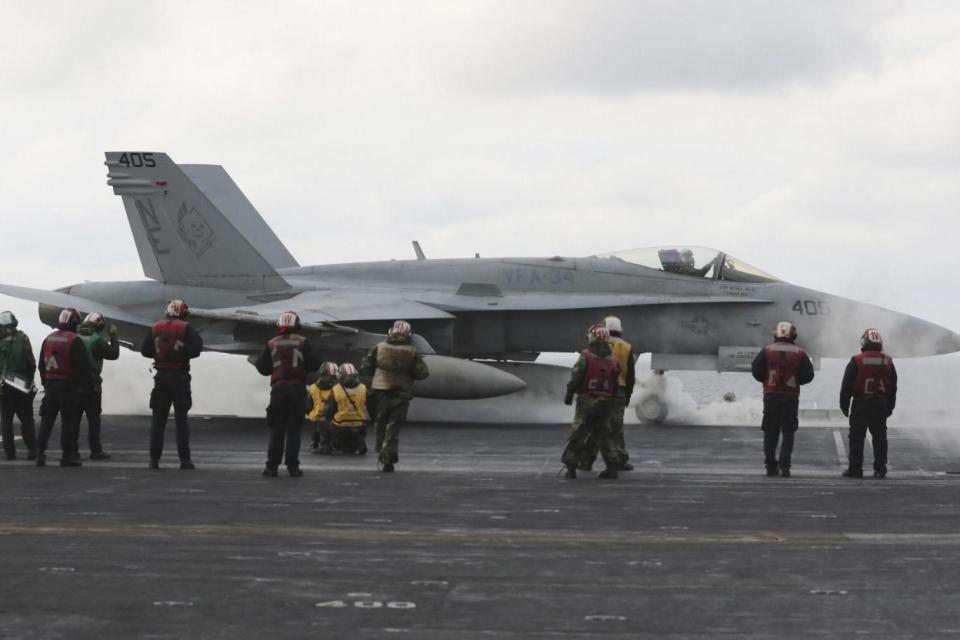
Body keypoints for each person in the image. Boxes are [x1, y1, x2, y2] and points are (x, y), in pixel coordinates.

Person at [255, 311, 320, 477]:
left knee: (277, 430)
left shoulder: (271, 343)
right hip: (297, 389)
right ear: (297, 325)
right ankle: (293, 467)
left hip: (278, 390)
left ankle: (271, 467)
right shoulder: (303, 342)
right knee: (294, 430)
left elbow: (262, 367)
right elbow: (314, 364)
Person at [140, 300, 203, 470]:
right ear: (183, 312)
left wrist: (160, 355)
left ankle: (154, 460)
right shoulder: (186, 328)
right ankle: (185, 460)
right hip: (180, 378)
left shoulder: (155, 327)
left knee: (158, 421)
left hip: (161, 378)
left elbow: (145, 350)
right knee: (181, 420)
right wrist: (181, 352)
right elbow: (196, 349)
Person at [360, 320, 429, 472]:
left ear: (391, 331)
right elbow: (422, 374)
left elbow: (366, 369)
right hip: (401, 395)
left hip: (380, 393)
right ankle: (388, 457)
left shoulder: (379, 347)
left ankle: (382, 451)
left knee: (380, 423)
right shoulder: (412, 351)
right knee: (393, 427)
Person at [751, 321, 815, 478]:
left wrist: (767, 380)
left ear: (776, 334)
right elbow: (809, 375)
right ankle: (785, 467)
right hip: (790, 397)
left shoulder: (766, 351)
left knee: (770, 431)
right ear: (793, 334)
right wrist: (796, 381)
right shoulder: (800, 353)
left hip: (771, 396)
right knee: (788, 432)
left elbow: (757, 371)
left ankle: (770, 466)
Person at [561, 323, 621, 480]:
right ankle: (612, 468)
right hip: (606, 402)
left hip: (587, 401)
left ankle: (571, 468)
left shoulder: (586, 355)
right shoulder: (612, 358)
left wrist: (569, 393)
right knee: (604, 436)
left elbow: (577, 376)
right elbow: (615, 381)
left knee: (578, 434)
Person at [36, 308, 94, 467]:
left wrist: (45, 382)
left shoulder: (48, 338)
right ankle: (68, 456)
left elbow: (41, 365)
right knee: (68, 422)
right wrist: (87, 387)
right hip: (68, 387)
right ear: (74, 322)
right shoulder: (74, 340)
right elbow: (84, 368)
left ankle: (39, 454)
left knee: (46, 421)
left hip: (50, 385)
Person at [579, 315, 636, 471]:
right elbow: (630, 374)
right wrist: (628, 395)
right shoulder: (627, 347)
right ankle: (620, 459)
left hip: (599, 390)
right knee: (616, 427)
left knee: (595, 426)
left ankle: (586, 460)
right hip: (619, 392)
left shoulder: (598, 344)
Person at [840, 328, 897, 479]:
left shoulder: (857, 360)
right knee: (880, 438)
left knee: (857, 437)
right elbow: (893, 386)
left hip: (861, 403)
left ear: (865, 341)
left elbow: (847, 385)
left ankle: (855, 469)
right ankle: (880, 469)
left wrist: (844, 405)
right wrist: (890, 406)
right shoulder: (888, 361)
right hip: (880, 404)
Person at [77, 312, 120, 460]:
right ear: (99, 326)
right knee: (93, 419)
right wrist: (114, 336)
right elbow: (114, 354)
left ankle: (71, 450)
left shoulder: (75, 337)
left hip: (73, 385)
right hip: (91, 385)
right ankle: (95, 450)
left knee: (72, 419)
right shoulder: (97, 340)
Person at [0, 311, 37, 460]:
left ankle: (9, 453)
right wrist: (30, 381)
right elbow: (31, 363)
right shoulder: (23, 338)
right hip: (22, 387)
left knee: (6, 421)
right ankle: (32, 451)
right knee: (27, 419)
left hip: (4, 388)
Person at [322, 363, 369, 455]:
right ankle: (360, 441)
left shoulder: (336, 389)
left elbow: (329, 410)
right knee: (361, 425)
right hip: (360, 424)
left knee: (321, 422)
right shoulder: (363, 388)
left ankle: (326, 446)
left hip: (340, 425)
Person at [308, 361, 339, 454]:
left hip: (316, 416)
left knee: (317, 419)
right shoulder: (339, 388)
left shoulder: (312, 387)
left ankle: (314, 442)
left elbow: (308, 406)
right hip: (334, 418)